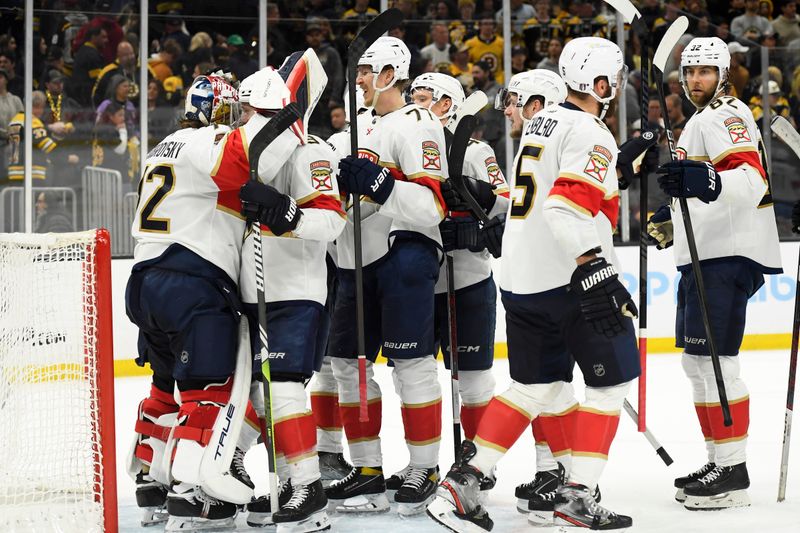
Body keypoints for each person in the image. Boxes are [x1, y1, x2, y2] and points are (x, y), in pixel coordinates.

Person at [428, 37, 643, 532]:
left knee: (533, 385)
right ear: (603, 84)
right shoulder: (591, 129)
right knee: (611, 386)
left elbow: (555, 184)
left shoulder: (542, 123)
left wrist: (617, 167)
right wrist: (595, 267)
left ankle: (462, 484)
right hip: (571, 281)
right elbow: (564, 206)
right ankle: (578, 496)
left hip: (523, 282)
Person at [124, 73, 270, 530]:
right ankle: (192, 496)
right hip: (192, 281)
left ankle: (152, 479)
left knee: (164, 383)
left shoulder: (163, 145)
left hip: (145, 279)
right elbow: (243, 156)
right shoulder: (210, 140)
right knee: (207, 391)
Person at [648, 36, 782, 511]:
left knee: (718, 363)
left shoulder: (726, 113)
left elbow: (749, 178)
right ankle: (719, 458)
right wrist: (671, 217)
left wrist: (704, 181)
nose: (694, 80)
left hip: (726, 254)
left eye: (704, 71)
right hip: (705, 253)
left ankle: (733, 470)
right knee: (698, 364)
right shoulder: (700, 121)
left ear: (722, 74)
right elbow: (705, 186)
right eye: (689, 73)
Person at [325, 36, 448, 516]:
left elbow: (432, 205)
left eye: (365, 70)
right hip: (352, 261)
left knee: (412, 365)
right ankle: (368, 470)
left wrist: (380, 183)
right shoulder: (360, 126)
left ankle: (424, 467)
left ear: (390, 74)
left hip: (401, 256)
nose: (356, 79)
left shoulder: (417, 122)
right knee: (346, 365)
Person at [234, 63, 346, 532]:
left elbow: (332, 221)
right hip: (253, 289)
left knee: (279, 389)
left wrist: (283, 211)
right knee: (258, 392)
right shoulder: (239, 154)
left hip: (297, 290)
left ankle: (306, 486)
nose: (244, 121)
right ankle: (259, 473)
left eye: (251, 111)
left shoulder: (309, 152)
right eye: (241, 111)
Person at [69, 26, 109, 107]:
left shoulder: (83, 50)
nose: (106, 40)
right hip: (86, 100)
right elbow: (97, 81)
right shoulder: (91, 55)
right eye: (103, 37)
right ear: (94, 37)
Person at [464, 18, 504, 84]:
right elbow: (467, 64)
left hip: (498, 81)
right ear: (479, 26)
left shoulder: (502, 42)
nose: (488, 27)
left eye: (490, 24)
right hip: (478, 81)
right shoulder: (470, 43)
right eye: (485, 24)